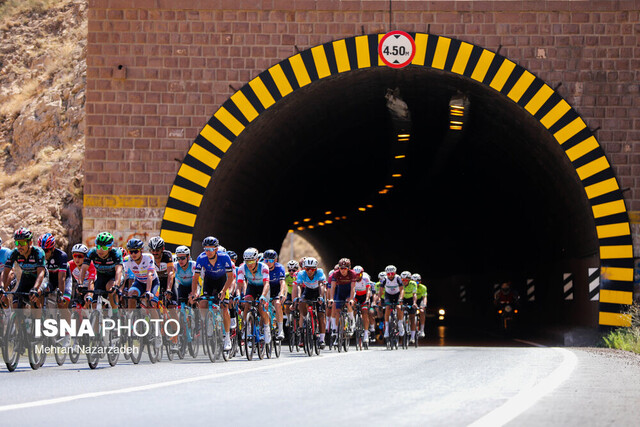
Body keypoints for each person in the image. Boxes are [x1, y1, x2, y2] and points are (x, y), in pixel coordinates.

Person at [192, 236, 235, 351]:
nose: (208, 252)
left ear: (216, 249)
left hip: (222, 281)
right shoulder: (201, 258)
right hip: (209, 281)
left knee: (224, 308)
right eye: (206, 249)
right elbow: (195, 278)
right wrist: (194, 292)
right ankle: (207, 323)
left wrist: (223, 291)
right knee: (202, 303)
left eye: (211, 249)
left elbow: (230, 277)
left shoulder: (225, 257)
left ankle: (227, 337)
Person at [1, 228, 47, 308]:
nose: (19, 246)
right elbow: (5, 271)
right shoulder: (15, 253)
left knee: (34, 299)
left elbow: (41, 273)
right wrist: (1, 287)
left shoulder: (38, 252)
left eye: (22, 243)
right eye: (17, 242)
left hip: (40, 278)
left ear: (30, 243)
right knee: (16, 304)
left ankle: (37, 319)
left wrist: (35, 289)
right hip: (26, 277)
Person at [236, 247, 271, 345]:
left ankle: (266, 329)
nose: (249, 264)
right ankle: (246, 328)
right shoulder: (242, 267)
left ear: (256, 260)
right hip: (252, 287)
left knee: (261, 307)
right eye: (247, 261)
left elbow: (267, 284)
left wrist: (263, 296)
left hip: (263, 288)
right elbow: (239, 284)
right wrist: (238, 295)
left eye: (251, 261)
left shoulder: (264, 267)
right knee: (247, 302)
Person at [80, 232, 123, 309]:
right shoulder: (92, 252)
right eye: (98, 246)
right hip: (101, 277)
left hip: (113, 277)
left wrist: (116, 285)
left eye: (104, 248)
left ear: (110, 248)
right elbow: (83, 268)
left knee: (110, 288)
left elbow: (118, 271)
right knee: (94, 305)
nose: (101, 250)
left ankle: (115, 313)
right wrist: (80, 284)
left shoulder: (116, 253)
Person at [294, 257, 327, 349]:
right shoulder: (301, 274)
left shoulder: (320, 272)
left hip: (318, 291)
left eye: (312, 269)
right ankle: (306, 319)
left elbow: (321, 284)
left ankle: (322, 339)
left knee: (321, 315)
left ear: (315, 269)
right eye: (307, 269)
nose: (310, 271)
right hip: (307, 291)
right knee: (301, 303)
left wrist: (321, 296)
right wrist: (299, 297)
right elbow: (299, 286)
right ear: (304, 268)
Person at [329, 257, 357, 342]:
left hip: (349, 291)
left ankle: (352, 320)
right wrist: (331, 298)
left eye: (345, 269)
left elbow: (353, 288)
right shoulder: (335, 274)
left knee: (348, 303)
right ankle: (337, 331)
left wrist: (351, 299)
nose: (343, 270)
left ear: (349, 268)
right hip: (340, 291)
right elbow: (333, 287)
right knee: (337, 310)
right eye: (341, 268)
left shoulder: (353, 274)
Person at [263, 249, 286, 339]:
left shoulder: (279, 268)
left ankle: (280, 330)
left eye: (271, 260)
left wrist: (282, 293)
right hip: (265, 288)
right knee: (262, 306)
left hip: (276, 289)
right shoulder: (262, 267)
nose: (268, 263)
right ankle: (262, 328)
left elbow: (282, 282)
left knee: (277, 304)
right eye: (266, 260)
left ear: (275, 260)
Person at [148, 236, 176, 307]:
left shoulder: (167, 255)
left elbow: (170, 273)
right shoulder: (148, 258)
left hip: (167, 279)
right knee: (152, 303)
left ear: (162, 249)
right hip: (156, 281)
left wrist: (169, 289)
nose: (155, 253)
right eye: (152, 250)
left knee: (171, 306)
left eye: (157, 250)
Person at [68, 244, 96, 308]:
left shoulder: (91, 265)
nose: (77, 259)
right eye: (75, 256)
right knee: (74, 307)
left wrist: (89, 294)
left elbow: (91, 282)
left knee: (87, 301)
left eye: (80, 256)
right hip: (80, 285)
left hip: (92, 285)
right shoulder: (70, 264)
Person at [381, 265, 405, 339]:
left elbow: (402, 290)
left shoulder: (398, 278)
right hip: (388, 295)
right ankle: (387, 329)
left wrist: (400, 298)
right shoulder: (384, 279)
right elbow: (380, 291)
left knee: (398, 307)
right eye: (388, 274)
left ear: (395, 273)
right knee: (387, 307)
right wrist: (379, 299)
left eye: (392, 274)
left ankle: (400, 324)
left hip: (397, 294)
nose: (390, 276)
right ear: (386, 274)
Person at [352, 265, 373, 343]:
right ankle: (353, 323)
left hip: (364, 296)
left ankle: (366, 334)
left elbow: (368, 291)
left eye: (359, 275)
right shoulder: (352, 278)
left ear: (362, 274)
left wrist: (367, 300)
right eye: (355, 275)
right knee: (351, 305)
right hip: (357, 295)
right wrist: (352, 299)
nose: (357, 277)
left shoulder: (365, 278)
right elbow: (352, 290)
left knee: (364, 313)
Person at [399, 270, 417, 343]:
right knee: (399, 312)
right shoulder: (399, 283)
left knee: (412, 317)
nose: (404, 281)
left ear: (409, 279)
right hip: (402, 299)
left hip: (410, 299)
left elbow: (414, 294)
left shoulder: (413, 284)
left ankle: (412, 337)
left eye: (406, 280)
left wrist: (414, 303)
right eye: (402, 280)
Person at [413, 273, 427, 338]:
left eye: (417, 281)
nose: (416, 283)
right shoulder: (410, 286)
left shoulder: (423, 287)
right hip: (412, 300)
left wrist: (424, 305)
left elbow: (424, 297)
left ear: (420, 281)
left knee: (422, 311)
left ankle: (422, 330)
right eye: (414, 281)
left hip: (420, 300)